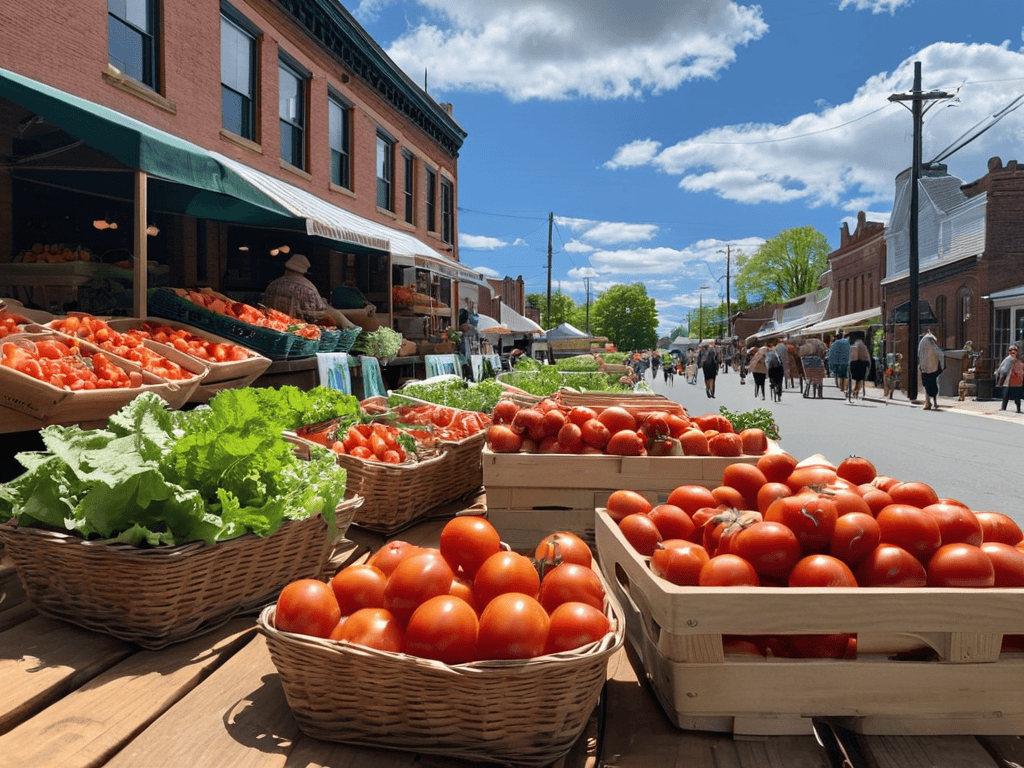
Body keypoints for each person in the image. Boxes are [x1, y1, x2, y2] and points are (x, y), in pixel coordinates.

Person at [262, 254, 358, 329]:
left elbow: (263, 307)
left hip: (272, 327)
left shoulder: (273, 285)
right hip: (298, 332)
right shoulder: (308, 287)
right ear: (304, 270)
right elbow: (321, 311)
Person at [918, 327, 944, 411]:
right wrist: (942, 365)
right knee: (933, 384)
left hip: (924, 368)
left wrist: (921, 366)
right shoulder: (932, 341)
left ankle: (927, 402)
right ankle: (935, 402)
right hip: (933, 368)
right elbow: (939, 353)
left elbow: (919, 354)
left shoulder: (922, 342)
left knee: (926, 385)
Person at [995, 344, 1024, 412]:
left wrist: (999, 373)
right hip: (1011, 380)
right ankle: (1012, 408)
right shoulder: (1011, 359)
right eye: (1012, 352)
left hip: (1011, 380)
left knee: (1010, 395)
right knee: (1010, 395)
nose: (1013, 353)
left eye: (1014, 352)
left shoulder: (1012, 360)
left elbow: (1004, 370)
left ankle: (1006, 408)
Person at [848, 335, 872, 400]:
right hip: (862, 364)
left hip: (854, 364)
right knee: (860, 379)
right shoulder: (864, 347)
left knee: (856, 379)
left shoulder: (854, 347)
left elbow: (851, 357)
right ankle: (856, 390)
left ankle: (855, 390)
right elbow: (867, 357)